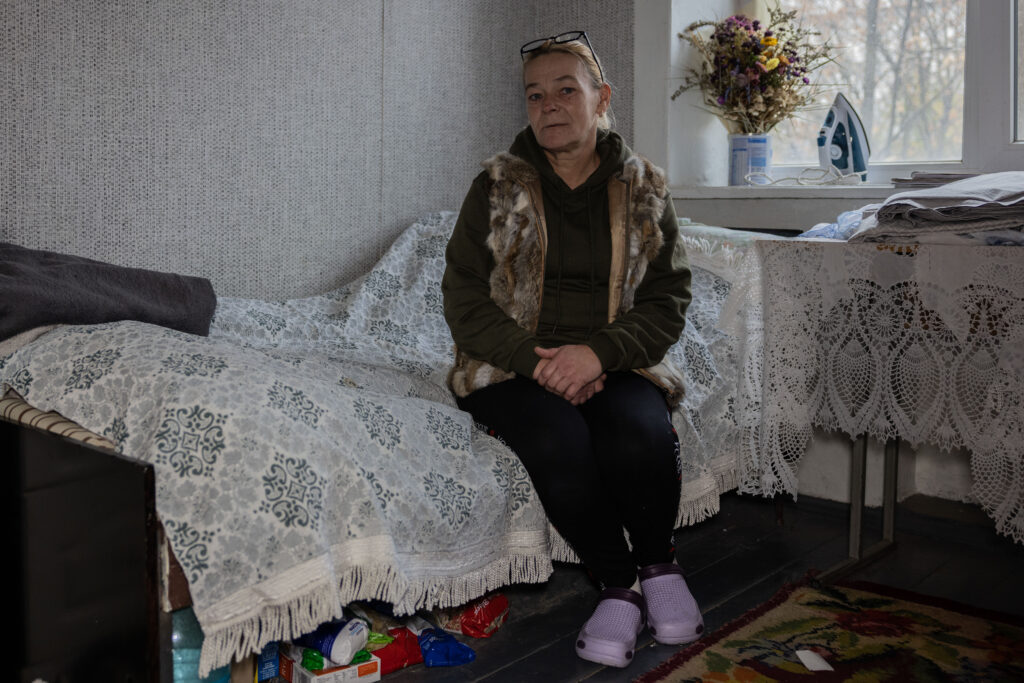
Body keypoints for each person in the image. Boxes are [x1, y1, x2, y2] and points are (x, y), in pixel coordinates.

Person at [441, 30, 702, 669]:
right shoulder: (496, 188)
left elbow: (667, 299)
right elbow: (465, 299)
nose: (549, 105)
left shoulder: (645, 190)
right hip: (512, 364)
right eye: (535, 95)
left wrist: (597, 355)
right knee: (559, 439)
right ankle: (621, 584)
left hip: (616, 359)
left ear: (601, 97)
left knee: (640, 429)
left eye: (565, 89)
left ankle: (661, 570)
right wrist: (538, 362)